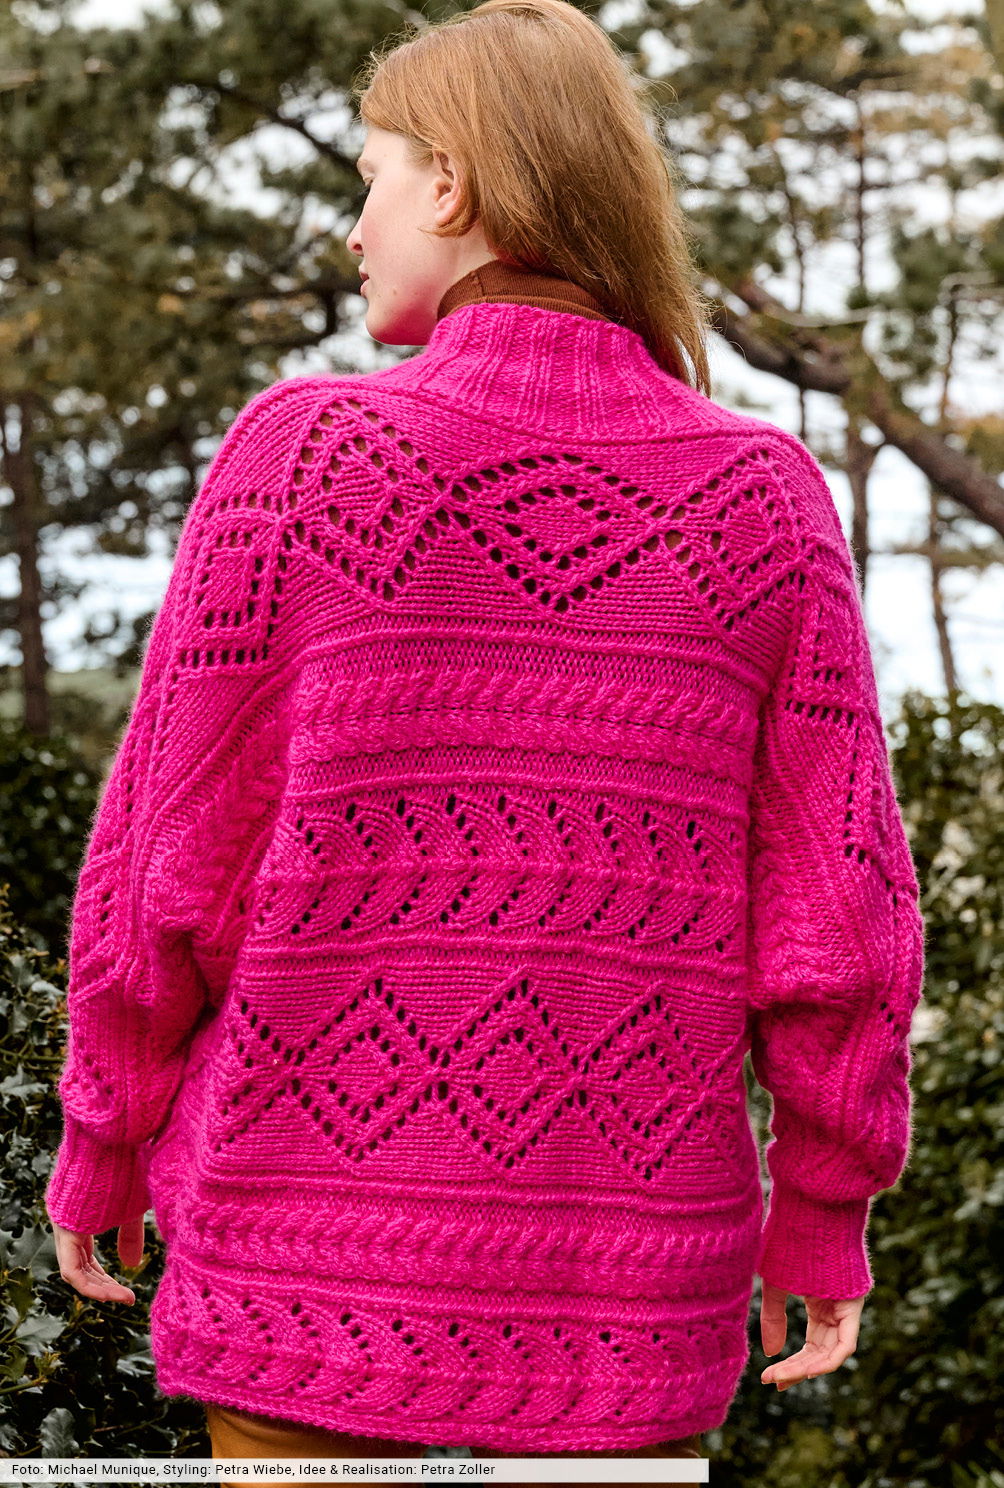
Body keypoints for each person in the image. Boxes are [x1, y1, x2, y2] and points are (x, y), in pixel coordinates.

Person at [44, 0, 926, 1482]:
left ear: (451, 184)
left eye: (372, 179)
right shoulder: (761, 501)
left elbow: (163, 862)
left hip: (304, 1271)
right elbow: (839, 915)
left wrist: (106, 1130)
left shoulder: (302, 464)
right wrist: (824, 1209)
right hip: (625, 1308)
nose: (354, 231)